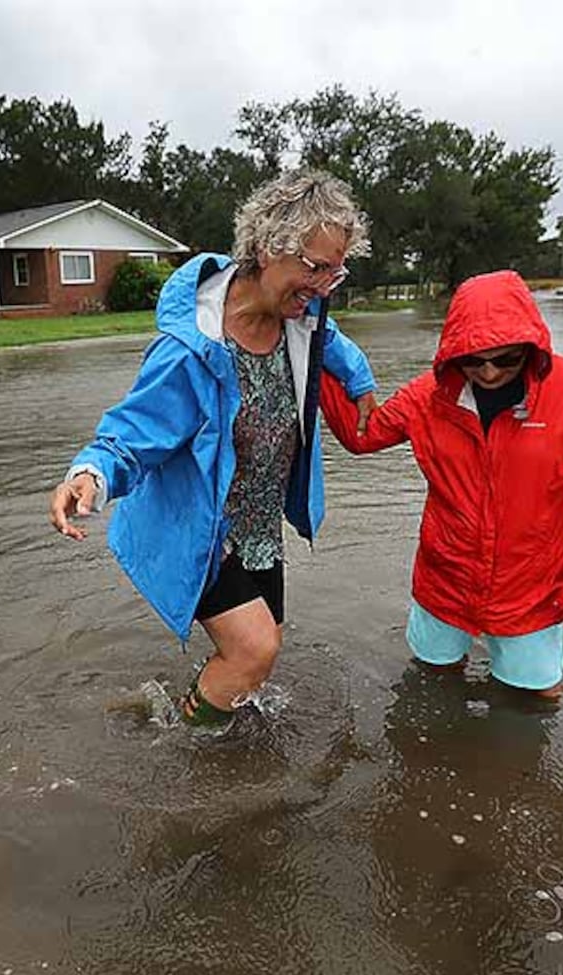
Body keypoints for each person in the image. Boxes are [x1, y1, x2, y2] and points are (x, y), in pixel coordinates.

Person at [48, 169, 378, 728]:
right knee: (254, 650)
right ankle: (187, 755)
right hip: (199, 533)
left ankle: (170, 713)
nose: (325, 285)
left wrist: (362, 382)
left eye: (335, 271)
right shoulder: (191, 350)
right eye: (315, 267)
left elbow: (334, 342)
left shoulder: (305, 319)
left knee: (260, 654)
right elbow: (132, 434)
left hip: (258, 529)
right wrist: (91, 475)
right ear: (267, 247)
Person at [320, 270, 563, 699]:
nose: (489, 372)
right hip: (444, 580)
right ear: (454, 354)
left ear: (531, 347)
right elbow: (363, 435)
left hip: (532, 588)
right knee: (431, 684)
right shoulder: (428, 397)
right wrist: (313, 356)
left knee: (537, 699)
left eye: (506, 359)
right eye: (473, 360)